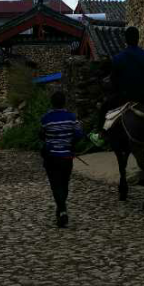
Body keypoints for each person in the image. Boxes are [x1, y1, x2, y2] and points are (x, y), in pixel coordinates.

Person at [89, 26, 144, 147]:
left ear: (125, 40)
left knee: (105, 107)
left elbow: (114, 80)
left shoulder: (118, 58)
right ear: (138, 39)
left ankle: (101, 135)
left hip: (125, 98)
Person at [40, 91, 83, 228]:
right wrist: (71, 144)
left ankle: (62, 210)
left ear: (52, 103)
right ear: (64, 102)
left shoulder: (46, 118)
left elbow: (41, 135)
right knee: (64, 184)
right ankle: (61, 209)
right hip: (66, 157)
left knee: (55, 185)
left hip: (52, 157)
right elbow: (79, 134)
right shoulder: (71, 117)